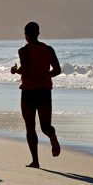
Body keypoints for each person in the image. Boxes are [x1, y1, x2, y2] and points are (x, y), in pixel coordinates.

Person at [11, 21, 61, 168]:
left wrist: (15, 70)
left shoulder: (23, 51)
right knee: (46, 126)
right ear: (38, 33)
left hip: (28, 92)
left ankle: (35, 161)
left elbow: (26, 70)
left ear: (25, 35)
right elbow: (57, 70)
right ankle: (52, 136)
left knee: (30, 127)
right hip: (44, 91)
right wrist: (45, 76)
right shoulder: (49, 49)